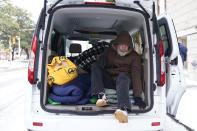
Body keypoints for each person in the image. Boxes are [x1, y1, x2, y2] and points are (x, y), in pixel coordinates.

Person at [91, 31, 145, 123]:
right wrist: (101, 60)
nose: (124, 47)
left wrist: (138, 96)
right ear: (117, 45)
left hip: (125, 81)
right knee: (95, 65)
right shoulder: (109, 51)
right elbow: (100, 61)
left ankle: (123, 109)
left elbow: (136, 75)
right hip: (111, 79)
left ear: (129, 46)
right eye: (121, 44)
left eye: (126, 45)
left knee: (122, 77)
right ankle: (101, 97)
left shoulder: (134, 57)